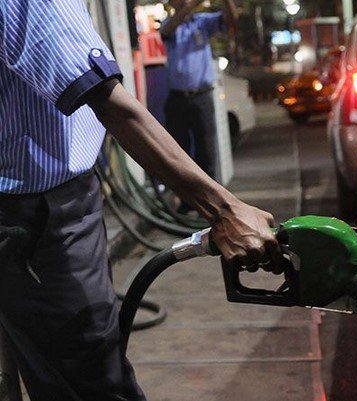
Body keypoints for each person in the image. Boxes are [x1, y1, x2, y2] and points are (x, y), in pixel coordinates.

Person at [0, 1, 279, 400]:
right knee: (90, 381)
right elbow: (110, 104)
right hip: (37, 218)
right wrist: (224, 210)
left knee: (54, 366)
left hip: (46, 205)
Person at [160, 0, 236, 184]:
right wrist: (190, 6)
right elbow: (167, 31)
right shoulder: (169, 22)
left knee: (206, 150)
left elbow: (231, 21)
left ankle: (211, 200)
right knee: (178, 152)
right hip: (177, 97)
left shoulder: (202, 21)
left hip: (202, 96)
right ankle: (186, 199)